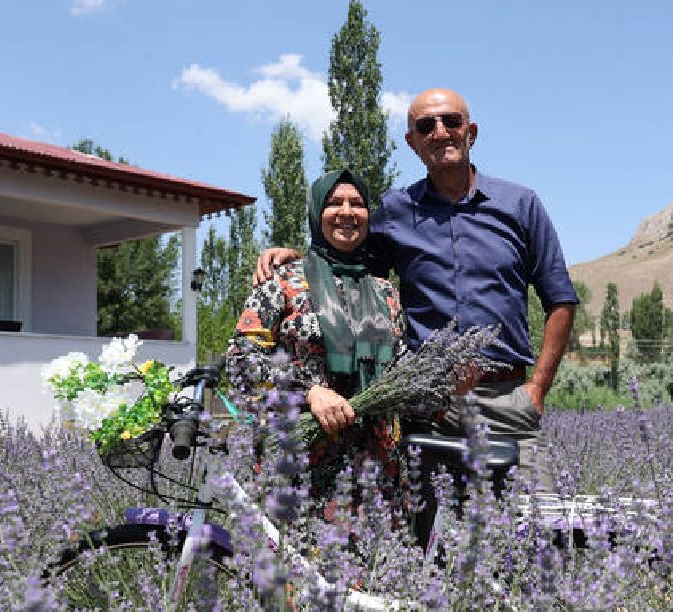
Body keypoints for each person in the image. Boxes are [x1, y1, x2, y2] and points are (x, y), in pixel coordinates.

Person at [255, 88, 578, 487]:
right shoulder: (395, 210)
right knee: (427, 537)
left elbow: (561, 300)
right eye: (426, 126)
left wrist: (537, 389)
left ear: (471, 131)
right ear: (412, 142)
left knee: (530, 531)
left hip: (507, 400)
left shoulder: (520, 205)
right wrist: (299, 258)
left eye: (451, 122)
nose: (440, 132)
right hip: (427, 408)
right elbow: (347, 263)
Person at [228, 168, 407, 507]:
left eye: (357, 203)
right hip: (299, 466)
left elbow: (402, 366)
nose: (347, 212)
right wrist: (308, 392)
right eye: (334, 203)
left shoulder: (386, 294)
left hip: (375, 473)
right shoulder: (283, 284)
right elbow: (240, 358)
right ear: (315, 213)